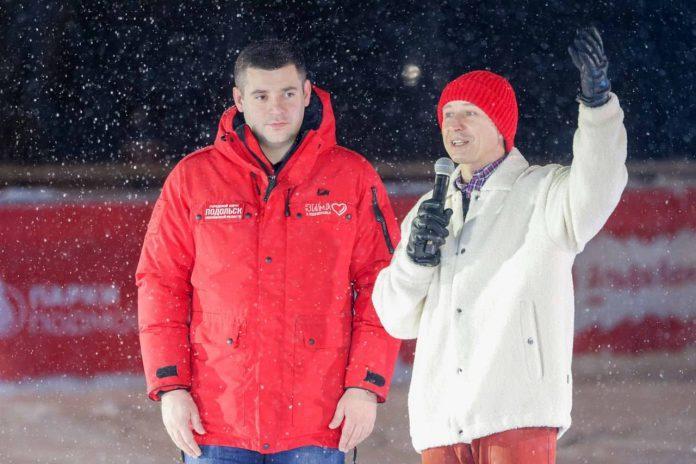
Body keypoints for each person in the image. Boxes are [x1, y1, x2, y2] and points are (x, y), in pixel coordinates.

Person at [136, 39, 401, 464]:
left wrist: (364, 386)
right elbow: (160, 284)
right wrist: (171, 386)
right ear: (239, 100)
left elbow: (384, 285)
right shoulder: (193, 179)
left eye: (288, 93)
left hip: (321, 419)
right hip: (216, 420)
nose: (276, 108)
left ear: (307, 93)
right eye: (261, 96)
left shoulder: (352, 177)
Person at [372, 27, 627, 464]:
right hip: (439, 421)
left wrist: (598, 106)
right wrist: (414, 262)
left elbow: (599, 184)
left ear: (500, 125)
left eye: (469, 113)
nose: (454, 124)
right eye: (448, 114)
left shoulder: (544, 192)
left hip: (516, 412)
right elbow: (395, 318)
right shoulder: (429, 208)